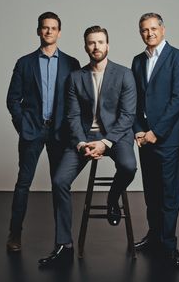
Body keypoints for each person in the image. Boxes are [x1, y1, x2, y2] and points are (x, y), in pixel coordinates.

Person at [38, 25, 137, 267]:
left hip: (116, 136)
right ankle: (64, 244)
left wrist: (105, 142)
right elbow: (72, 115)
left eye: (100, 42)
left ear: (108, 45)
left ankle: (113, 199)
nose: (96, 47)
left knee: (128, 166)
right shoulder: (76, 77)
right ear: (85, 47)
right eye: (91, 43)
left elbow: (127, 115)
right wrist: (82, 143)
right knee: (60, 181)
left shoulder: (124, 74)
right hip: (84, 137)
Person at [6, 11, 80, 252]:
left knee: (59, 184)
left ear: (59, 32)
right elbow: (12, 99)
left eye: (53, 28)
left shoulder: (72, 64)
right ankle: (14, 235)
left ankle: (62, 241)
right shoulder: (24, 63)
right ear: (38, 31)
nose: (49, 31)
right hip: (32, 132)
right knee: (23, 184)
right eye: (44, 27)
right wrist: (22, 124)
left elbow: (77, 101)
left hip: (59, 133)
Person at [132, 13, 179, 269]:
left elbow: (178, 99)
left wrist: (156, 132)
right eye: (145, 29)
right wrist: (138, 131)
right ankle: (154, 236)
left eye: (154, 28)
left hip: (166, 139)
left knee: (169, 194)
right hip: (145, 138)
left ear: (163, 30)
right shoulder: (137, 61)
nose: (150, 33)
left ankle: (169, 245)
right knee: (151, 192)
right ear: (140, 32)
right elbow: (132, 100)